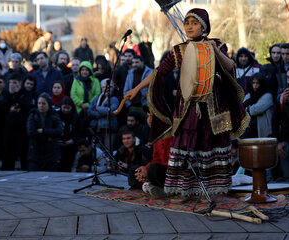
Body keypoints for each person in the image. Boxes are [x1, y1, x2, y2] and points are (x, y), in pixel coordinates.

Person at [124, 8, 248, 200]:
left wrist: (214, 50)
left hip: (213, 109)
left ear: (204, 27)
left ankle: (212, 191)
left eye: (194, 23)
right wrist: (136, 89)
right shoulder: (179, 50)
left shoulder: (216, 45)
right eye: (187, 23)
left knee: (209, 147)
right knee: (186, 148)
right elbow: (159, 72)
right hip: (187, 110)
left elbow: (230, 67)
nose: (189, 27)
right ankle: (185, 191)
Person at [3, 73, 33, 170]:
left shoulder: (26, 94)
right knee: (8, 154)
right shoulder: (6, 94)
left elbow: (26, 107)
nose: (12, 85)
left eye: (14, 83)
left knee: (23, 154)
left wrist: (16, 94)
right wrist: (10, 95)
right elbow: (3, 109)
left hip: (21, 129)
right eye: (10, 83)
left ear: (20, 84)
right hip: (9, 129)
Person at [27, 93, 63, 171]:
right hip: (35, 154)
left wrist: (43, 131)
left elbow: (59, 130)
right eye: (39, 103)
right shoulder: (33, 115)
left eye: (44, 103)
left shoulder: (54, 115)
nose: (41, 106)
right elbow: (31, 132)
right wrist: (47, 138)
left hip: (51, 155)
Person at [88, 79, 119, 151]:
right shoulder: (96, 99)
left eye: (109, 87)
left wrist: (97, 108)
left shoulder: (114, 99)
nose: (106, 89)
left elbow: (111, 111)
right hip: (96, 129)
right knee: (95, 150)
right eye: (104, 87)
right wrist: (99, 114)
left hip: (108, 130)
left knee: (108, 151)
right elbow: (89, 111)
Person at [243, 73, 274, 139]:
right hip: (249, 130)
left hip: (262, 130)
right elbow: (242, 109)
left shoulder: (268, 95)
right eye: (253, 83)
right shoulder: (249, 95)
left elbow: (256, 109)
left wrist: (248, 109)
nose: (255, 85)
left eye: (258, 83)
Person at [57, 97, 79, 171]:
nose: (66, 110)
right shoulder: (57, 115)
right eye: (64, 107)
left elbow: (79, 132)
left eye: (68, 108)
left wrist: (72, 140)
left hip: (71, 146)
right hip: (59, 145)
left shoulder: (75, 116)